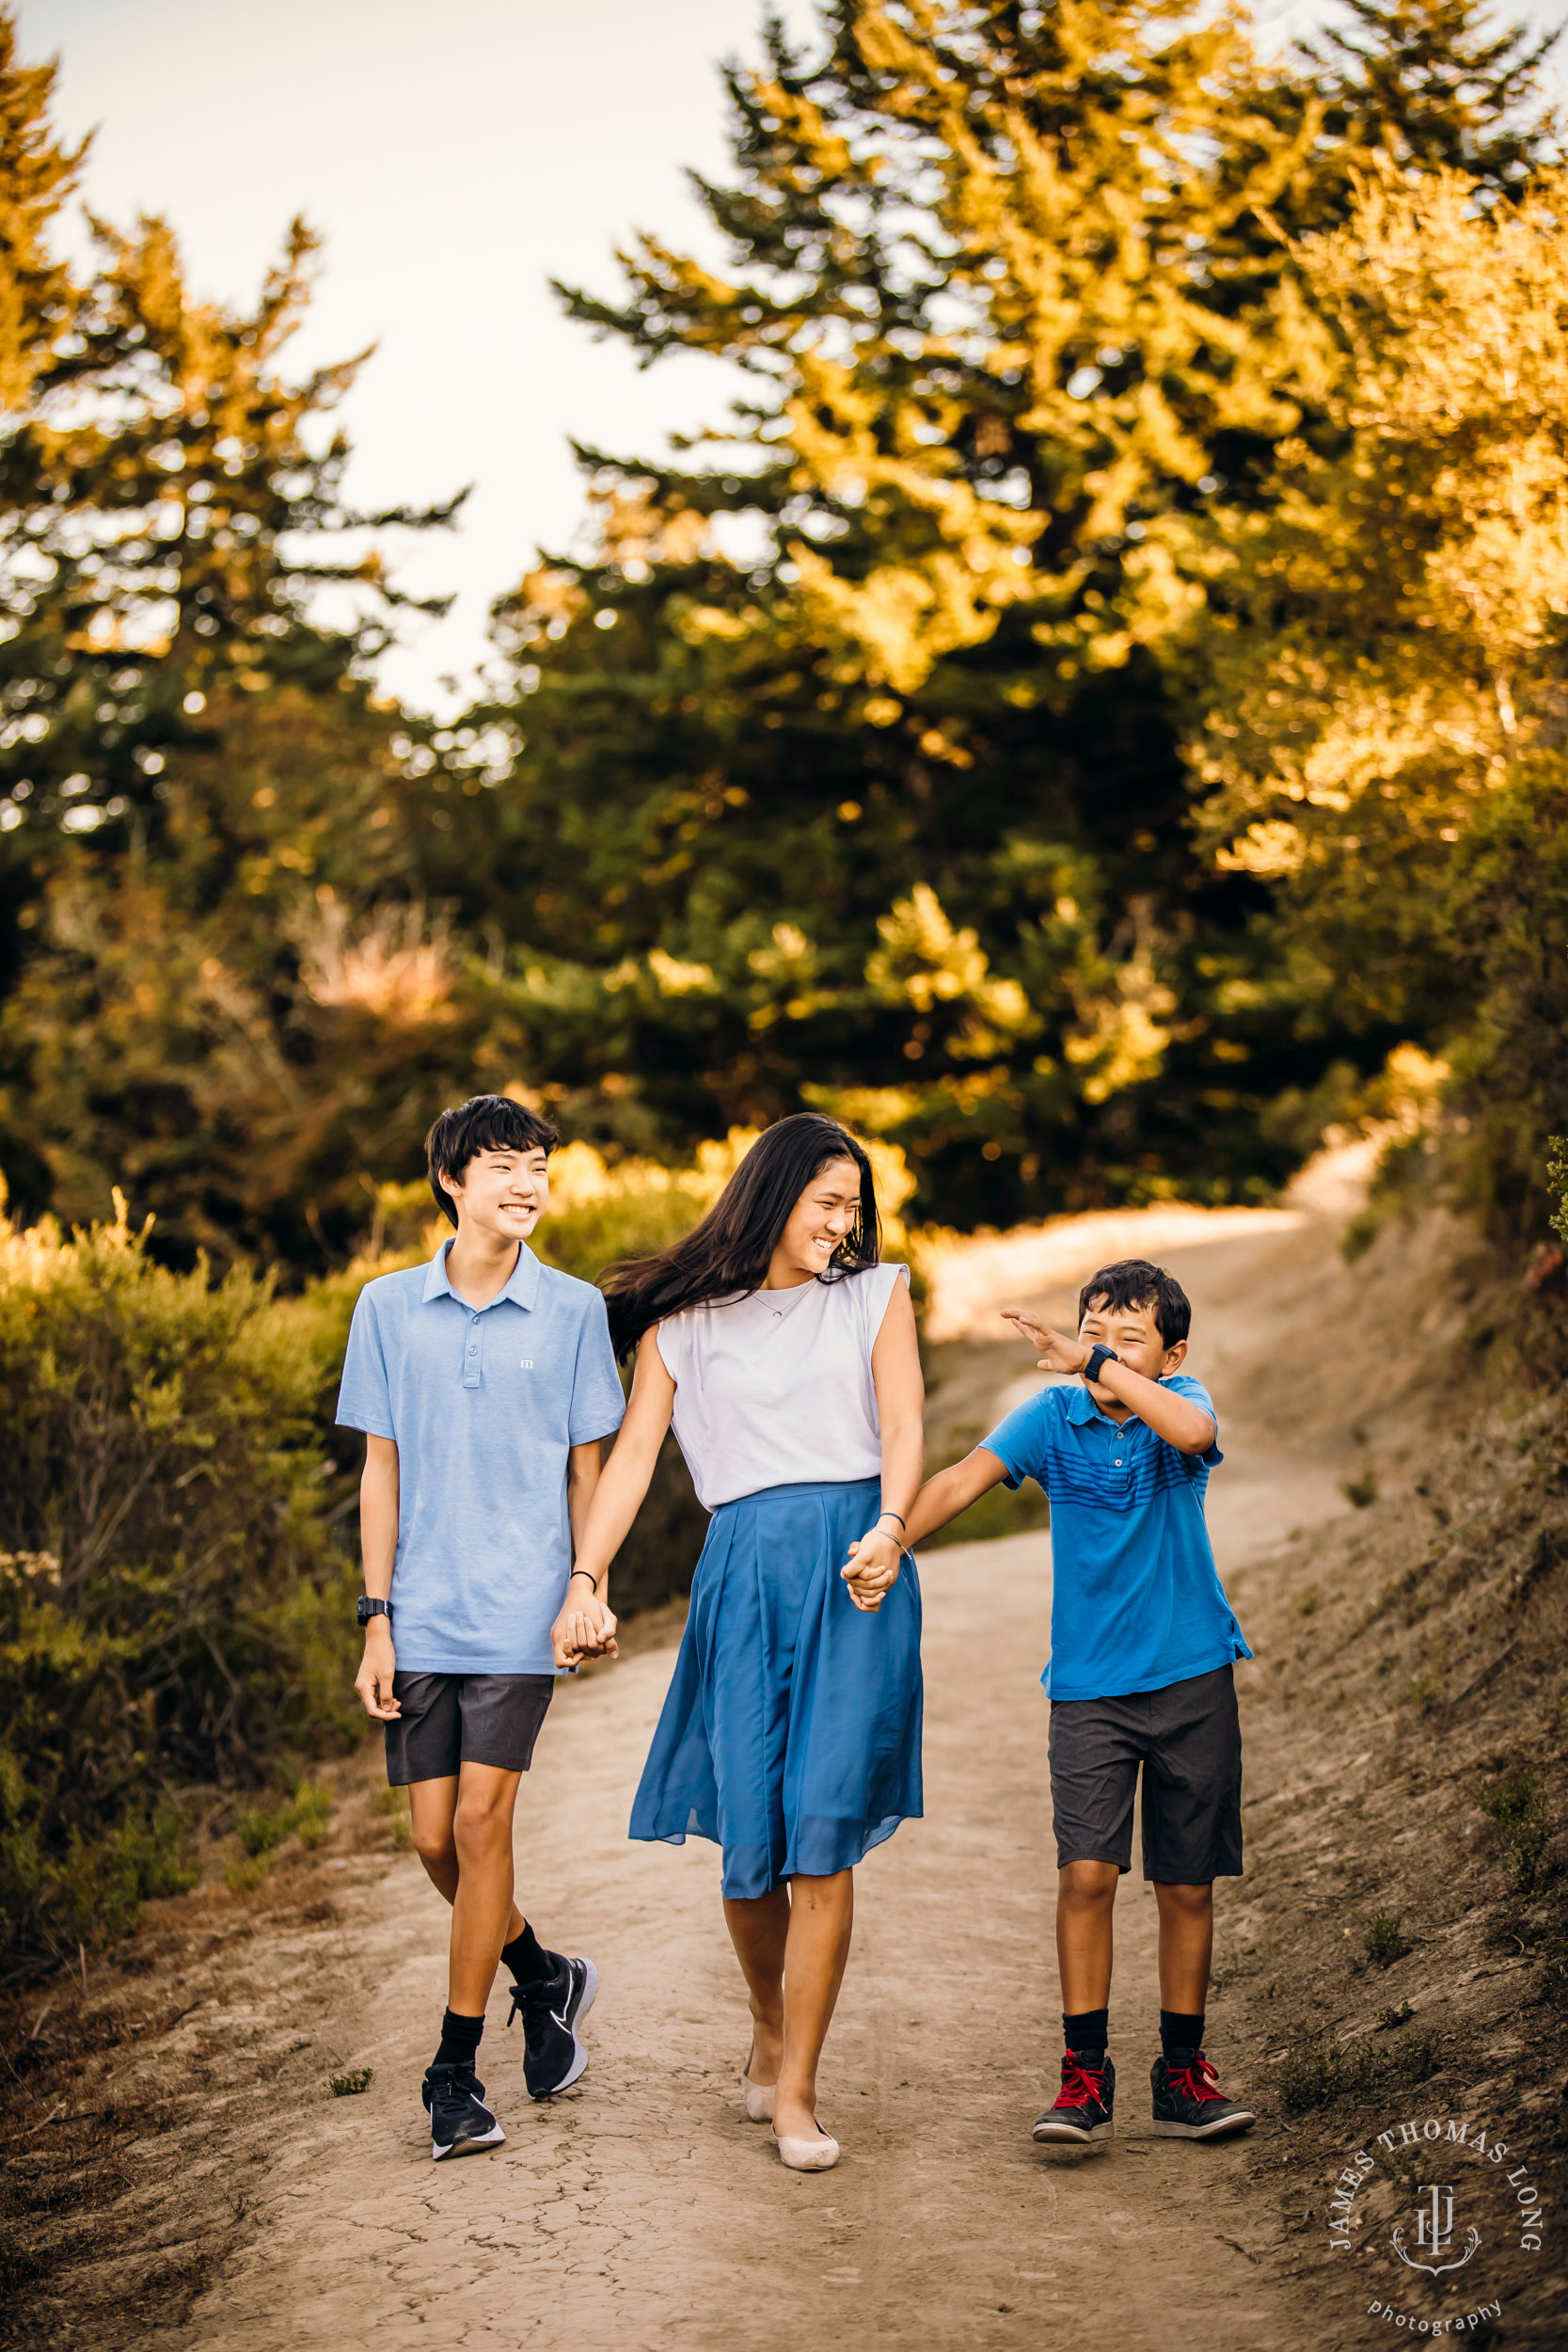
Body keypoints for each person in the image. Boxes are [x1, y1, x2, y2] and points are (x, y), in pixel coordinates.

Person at [559, 1113, 924, 2173]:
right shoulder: (685, 1325)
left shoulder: (874, 1294)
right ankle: (767, 2017)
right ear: (772, 1199)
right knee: (747, 1848)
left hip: (856, 1561)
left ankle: (797, 2090)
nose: (844, 1223)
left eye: (854, 1204)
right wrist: (586, 1578)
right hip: (742, 1573)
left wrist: (890, 1530)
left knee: (820, 1828)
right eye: (827, 1202)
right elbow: (630, 1464)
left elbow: (901, 1428)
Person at [847, 1257, 1256, 2150]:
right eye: (1091, 1332)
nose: (1100, 1353)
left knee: (1185, 1883)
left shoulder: (1178, 1401)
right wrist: (888, 1538)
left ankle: (1182, 2075)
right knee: (1086, 1875)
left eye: (1125, 1339)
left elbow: (1189, 1432)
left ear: (1171, 1351)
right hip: (1088, 1692)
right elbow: (957, 1479)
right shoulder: (1049, 1419)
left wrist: (1097, 1366)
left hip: (1192, 1679)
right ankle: (1084, 2074)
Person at [337, 1094, 625, 2162]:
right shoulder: (384, 1307)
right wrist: (376, 1620)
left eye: (539, 1166)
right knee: (429, 1840)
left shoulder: (574, 1310)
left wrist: (583, 1585)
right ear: (452, 1181)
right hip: (418, 1615)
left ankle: (451, 2075)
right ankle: (543, 1973)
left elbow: (592, 1466)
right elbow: (381, 1468)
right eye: (503, 1165)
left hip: (519, 1613)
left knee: (477, 1829)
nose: (526, 1184)